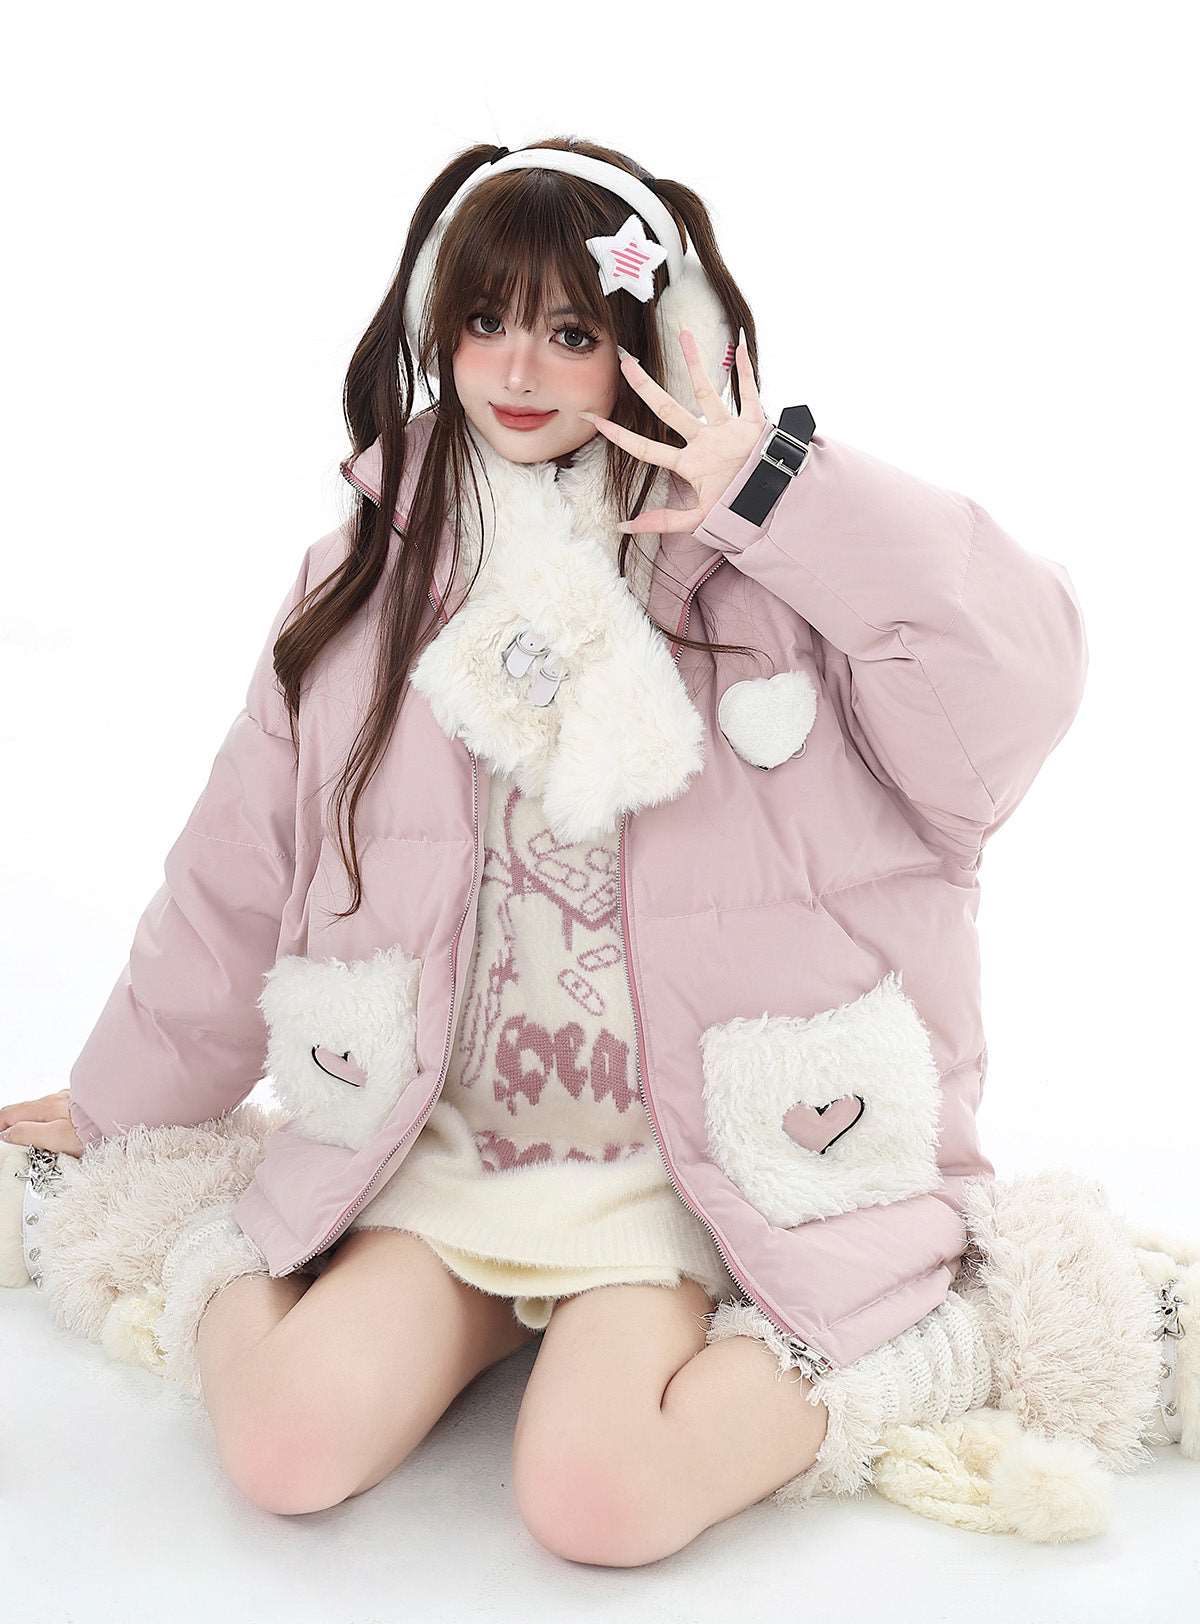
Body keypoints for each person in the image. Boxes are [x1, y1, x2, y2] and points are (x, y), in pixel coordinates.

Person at [2, 134, 1110, 1565]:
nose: (519, 371)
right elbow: (235, 872)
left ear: (663, 342)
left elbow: (1018, 680)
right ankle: (256, 1242)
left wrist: (778, 487)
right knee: (283, 1448)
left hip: (685, 1163)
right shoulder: (371, 577)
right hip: (437, 1140)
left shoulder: (777, 582)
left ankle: (936, 1340)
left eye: (573, 333)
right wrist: (121, 1111)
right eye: (486, 322)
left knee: (599, 1502)